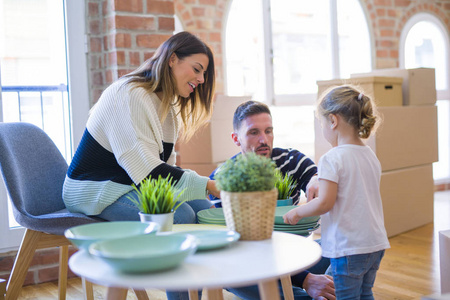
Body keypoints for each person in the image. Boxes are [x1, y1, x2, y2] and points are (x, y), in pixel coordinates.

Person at [167, 100, 335, 300]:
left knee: (342, 240)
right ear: (236, 138)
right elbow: (240, 248)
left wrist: (315, 180)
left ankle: (324, 287)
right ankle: (314, 290)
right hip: (253, 265)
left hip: (296, 257)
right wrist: (306, 279)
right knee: (233, 275)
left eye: (268, 131)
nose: (264, 140)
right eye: (254, 132)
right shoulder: (223, 178)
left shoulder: (291, 160)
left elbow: (313, 176)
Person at [62, 31, 219, 224]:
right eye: (197, 69)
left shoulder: (167, 108)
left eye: (203, 73)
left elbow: (164, 170)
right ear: (172, 59)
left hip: (130, 184)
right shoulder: (128, 95)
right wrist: (209, 184)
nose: (202, 79)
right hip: (94, 190)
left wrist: (206, 187)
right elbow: (149, 173)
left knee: (204, 208)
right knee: (181, 216)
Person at [284, 85, 390, 299]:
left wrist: (298, 212)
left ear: (333, 121)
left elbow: (325, 202)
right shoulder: (370, 155)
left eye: (322, 123)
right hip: (375, 243)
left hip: (348, 248)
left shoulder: (332, 158)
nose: (323, 130)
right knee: (365, 292)